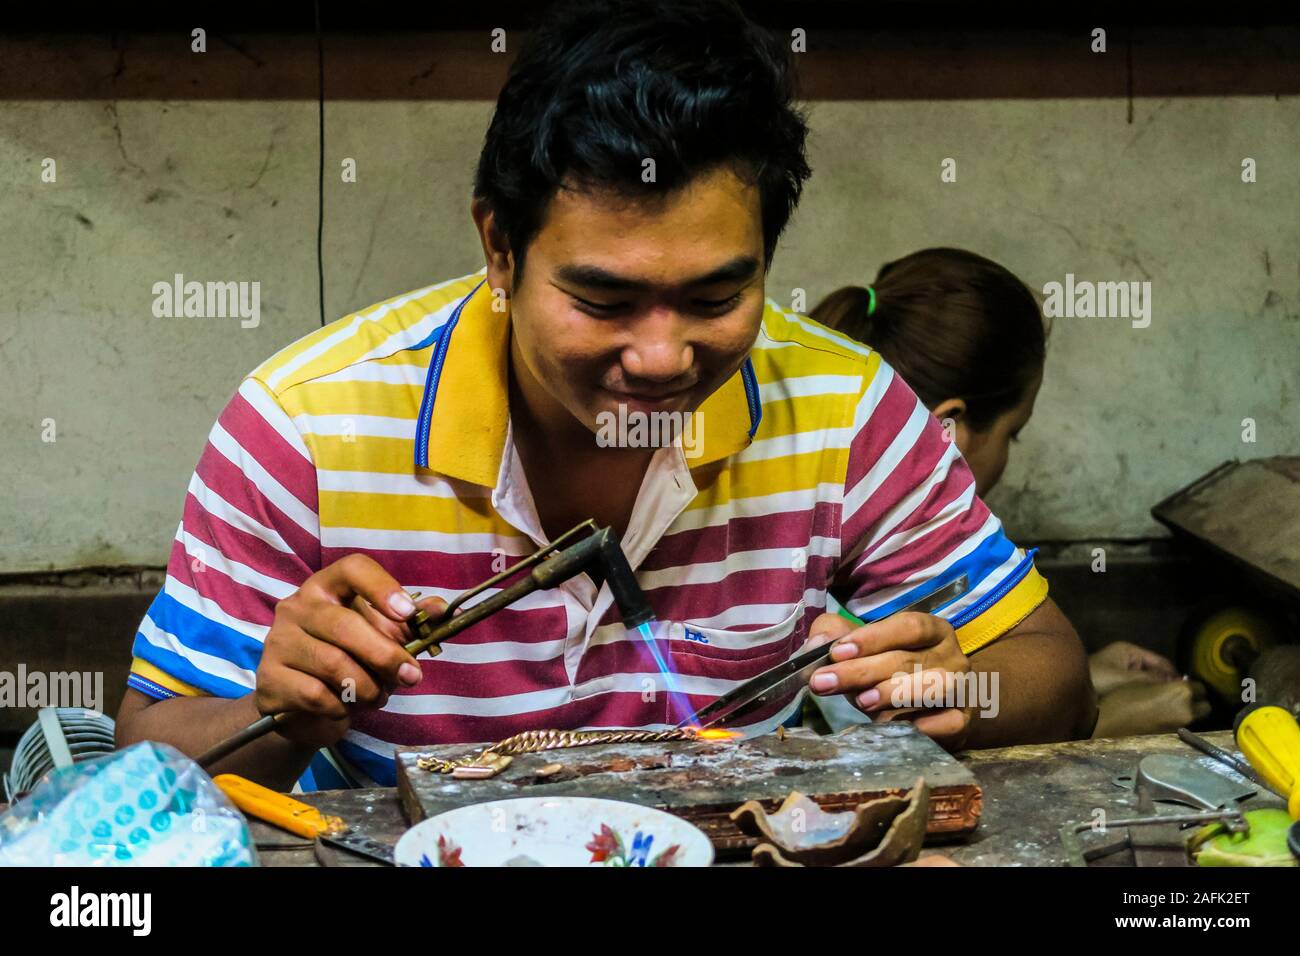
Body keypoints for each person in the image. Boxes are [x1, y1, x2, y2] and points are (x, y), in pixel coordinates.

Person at [115, 0, 1095, 792]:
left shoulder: (844, 407)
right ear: (499, 246)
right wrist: (282, 707)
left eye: (715, 295)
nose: (664, 356)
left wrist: (958, 679)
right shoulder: (305, 425)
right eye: (602, 298)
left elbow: (1054, 675)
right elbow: (148, 763)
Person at [810, 248, 1208, 738]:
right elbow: (889, 734)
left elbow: (970, 677)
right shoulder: (871, 577)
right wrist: (1118, 722)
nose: (1008, 456)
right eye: (1012, 433)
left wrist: (1081, 671)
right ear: (947, 427)